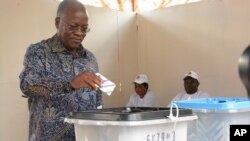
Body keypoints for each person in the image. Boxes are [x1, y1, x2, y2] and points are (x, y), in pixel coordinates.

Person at [19, 0, 103, 140]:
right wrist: (69, 84)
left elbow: (98, 101)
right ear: (58, 23)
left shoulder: (90, 59)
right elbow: (27, 86)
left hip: (85, 137)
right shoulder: (39, 52)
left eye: (84, 28)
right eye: (73, 26)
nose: (79, 33)